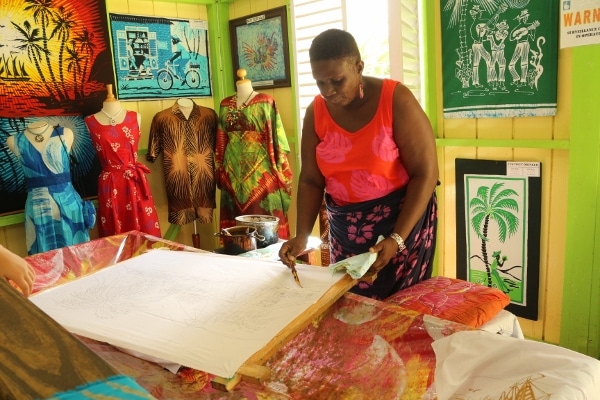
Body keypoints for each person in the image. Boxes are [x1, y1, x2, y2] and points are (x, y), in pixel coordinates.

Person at [278, 29, 439, 300]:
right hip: (346, 232)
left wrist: (397, 239)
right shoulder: (315, 112)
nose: (328, 91)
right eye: (320, 83)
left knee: (400, 313)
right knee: (350, 306)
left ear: (359, 67)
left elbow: (426, 173)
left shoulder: (395, 100)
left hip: (401, 226)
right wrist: (302, 236)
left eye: (337, 81)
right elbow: (311, 180)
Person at [215, 69, 293, 240]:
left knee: (264, 224)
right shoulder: (224, 104)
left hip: (261, 173)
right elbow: (221, 139)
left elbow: (277, 138)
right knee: (235, 232)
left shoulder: (266, 101)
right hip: (231, 175)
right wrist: (220, 169)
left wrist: (280, 168)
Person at [84, 84, 161, 238]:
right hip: (110, 183)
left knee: (145, 231)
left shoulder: (135, 117)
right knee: (115, 232)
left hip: (135, 181)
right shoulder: (90, 122)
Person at [6, 120, 92, 255]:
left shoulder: (65, 133)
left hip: (69, 204)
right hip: (38, 209)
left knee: (78, 256)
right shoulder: (14, 141)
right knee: (46, 260)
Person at [147, 98, 218, 226]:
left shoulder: (209, 115)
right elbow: (153, 153)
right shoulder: (161, 118)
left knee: (205, 217)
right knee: (180, 214)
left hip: (203, 183)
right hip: (178, 184)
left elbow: (219, 147)